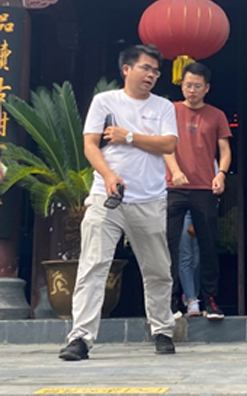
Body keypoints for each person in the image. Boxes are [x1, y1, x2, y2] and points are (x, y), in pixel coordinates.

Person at [59, 44, 178, 361]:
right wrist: (109, 175)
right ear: (127, 69)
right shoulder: (104, 101)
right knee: (93, 266)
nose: (151, 75)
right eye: (146, 68)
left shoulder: (163, 106)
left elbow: (168, 144)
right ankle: (80, 338)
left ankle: (162, 330)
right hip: (106, 197)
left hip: (150, 200)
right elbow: (90, 145)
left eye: (156, 71)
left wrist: (129, 137)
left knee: (158, 269)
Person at [165, 62, 231, 321]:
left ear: (207, 88)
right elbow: (165, 146)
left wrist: (221, 174)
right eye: (188, 85)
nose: (192, 90)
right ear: (181, 85)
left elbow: (225, 150)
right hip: (174, 187)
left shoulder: (216, 115)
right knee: (170, 246)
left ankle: (210, 301)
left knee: (208, 246)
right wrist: (175, 171)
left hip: (204, 188)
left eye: (197, 86)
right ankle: (171, 302)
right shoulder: (170, 110)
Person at [179, 210, 202, 317]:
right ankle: (191, 300)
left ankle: (192, 294)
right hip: (184, 211)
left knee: (197, 258)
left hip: (199, 209)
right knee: (186, 255)